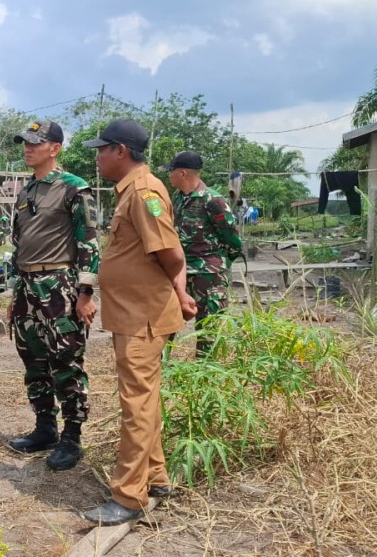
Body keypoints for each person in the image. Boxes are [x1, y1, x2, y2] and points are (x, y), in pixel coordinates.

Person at [80, 118, 197, 526]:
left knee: (136, 405)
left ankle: (129, 496)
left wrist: (177, 291)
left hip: (142, 317)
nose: (97, 157)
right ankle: (156, 477)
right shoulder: (131, 190)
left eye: (101, 149)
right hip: (134, 313)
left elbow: (171, 253)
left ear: (121, 151)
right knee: (144, 400)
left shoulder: (144, 191)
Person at [5, 120, 99, 472]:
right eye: (25, 143)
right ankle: (45, 428)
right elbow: (19, 244)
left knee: (66, 362)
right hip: (28, 287)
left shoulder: (74, 188)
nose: (28, 148)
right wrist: (16, 293)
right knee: (34, 361)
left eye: (35, 142)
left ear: (54, 148)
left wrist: (85, 293)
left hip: (59, 285)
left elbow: (90, 242)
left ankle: (72, 437)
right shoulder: (26, 190)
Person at [163, 151, 243, 357]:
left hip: (209, 276)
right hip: (180, 272)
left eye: (170, 171)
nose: (168, 175)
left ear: (182, 173)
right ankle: (161, 372)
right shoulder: (178, 198)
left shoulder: (212, 200)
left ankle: (205, 378)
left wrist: (217, 265)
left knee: (208, 330)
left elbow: (232, 239)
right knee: (166, 324)